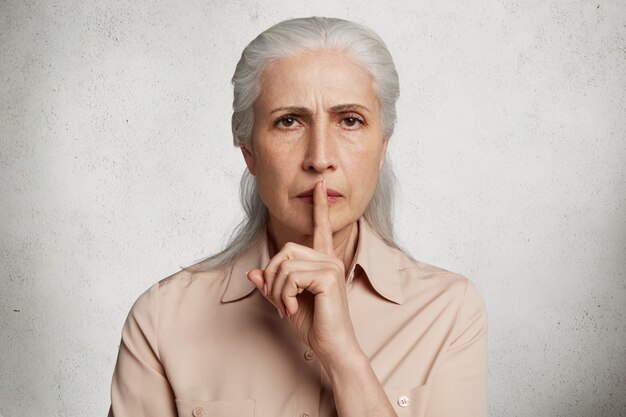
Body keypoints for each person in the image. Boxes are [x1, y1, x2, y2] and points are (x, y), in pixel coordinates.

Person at [108, 16, 487, 417]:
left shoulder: (449, 311)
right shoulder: (161, 319)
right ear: (249, 152)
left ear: (382, 147)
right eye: (288, 121)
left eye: (350, 120)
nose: (320, 158)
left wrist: (343, 355)